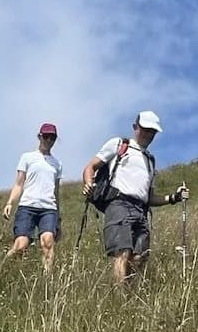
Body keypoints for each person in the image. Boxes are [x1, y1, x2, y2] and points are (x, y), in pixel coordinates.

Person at [81, 111, 190, 286]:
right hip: (118, 204)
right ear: (135, 127)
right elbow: (90, 167)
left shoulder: (150, 160)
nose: (148, 134)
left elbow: (149, 197)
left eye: (152, 131)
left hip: (141, 209)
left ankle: (129, 293)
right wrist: (88, 183)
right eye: (145, 129)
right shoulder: (118, 144)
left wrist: (174, 197)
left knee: (140, 257)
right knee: (122, 251)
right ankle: (119, 298)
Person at [2, 123, 62, 272]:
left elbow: (56, 191)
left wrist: (58, 218)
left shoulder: (57, 164)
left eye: (52, 137)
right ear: (39, 136)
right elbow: (18, 184)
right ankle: (1, 270)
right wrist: (10, 203)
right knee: (21, 245)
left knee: (47, 242)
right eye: (46, 136)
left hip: (49, 209)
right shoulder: (27, 157)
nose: (49, 140)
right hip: (27, 206)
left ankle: (48, 281)